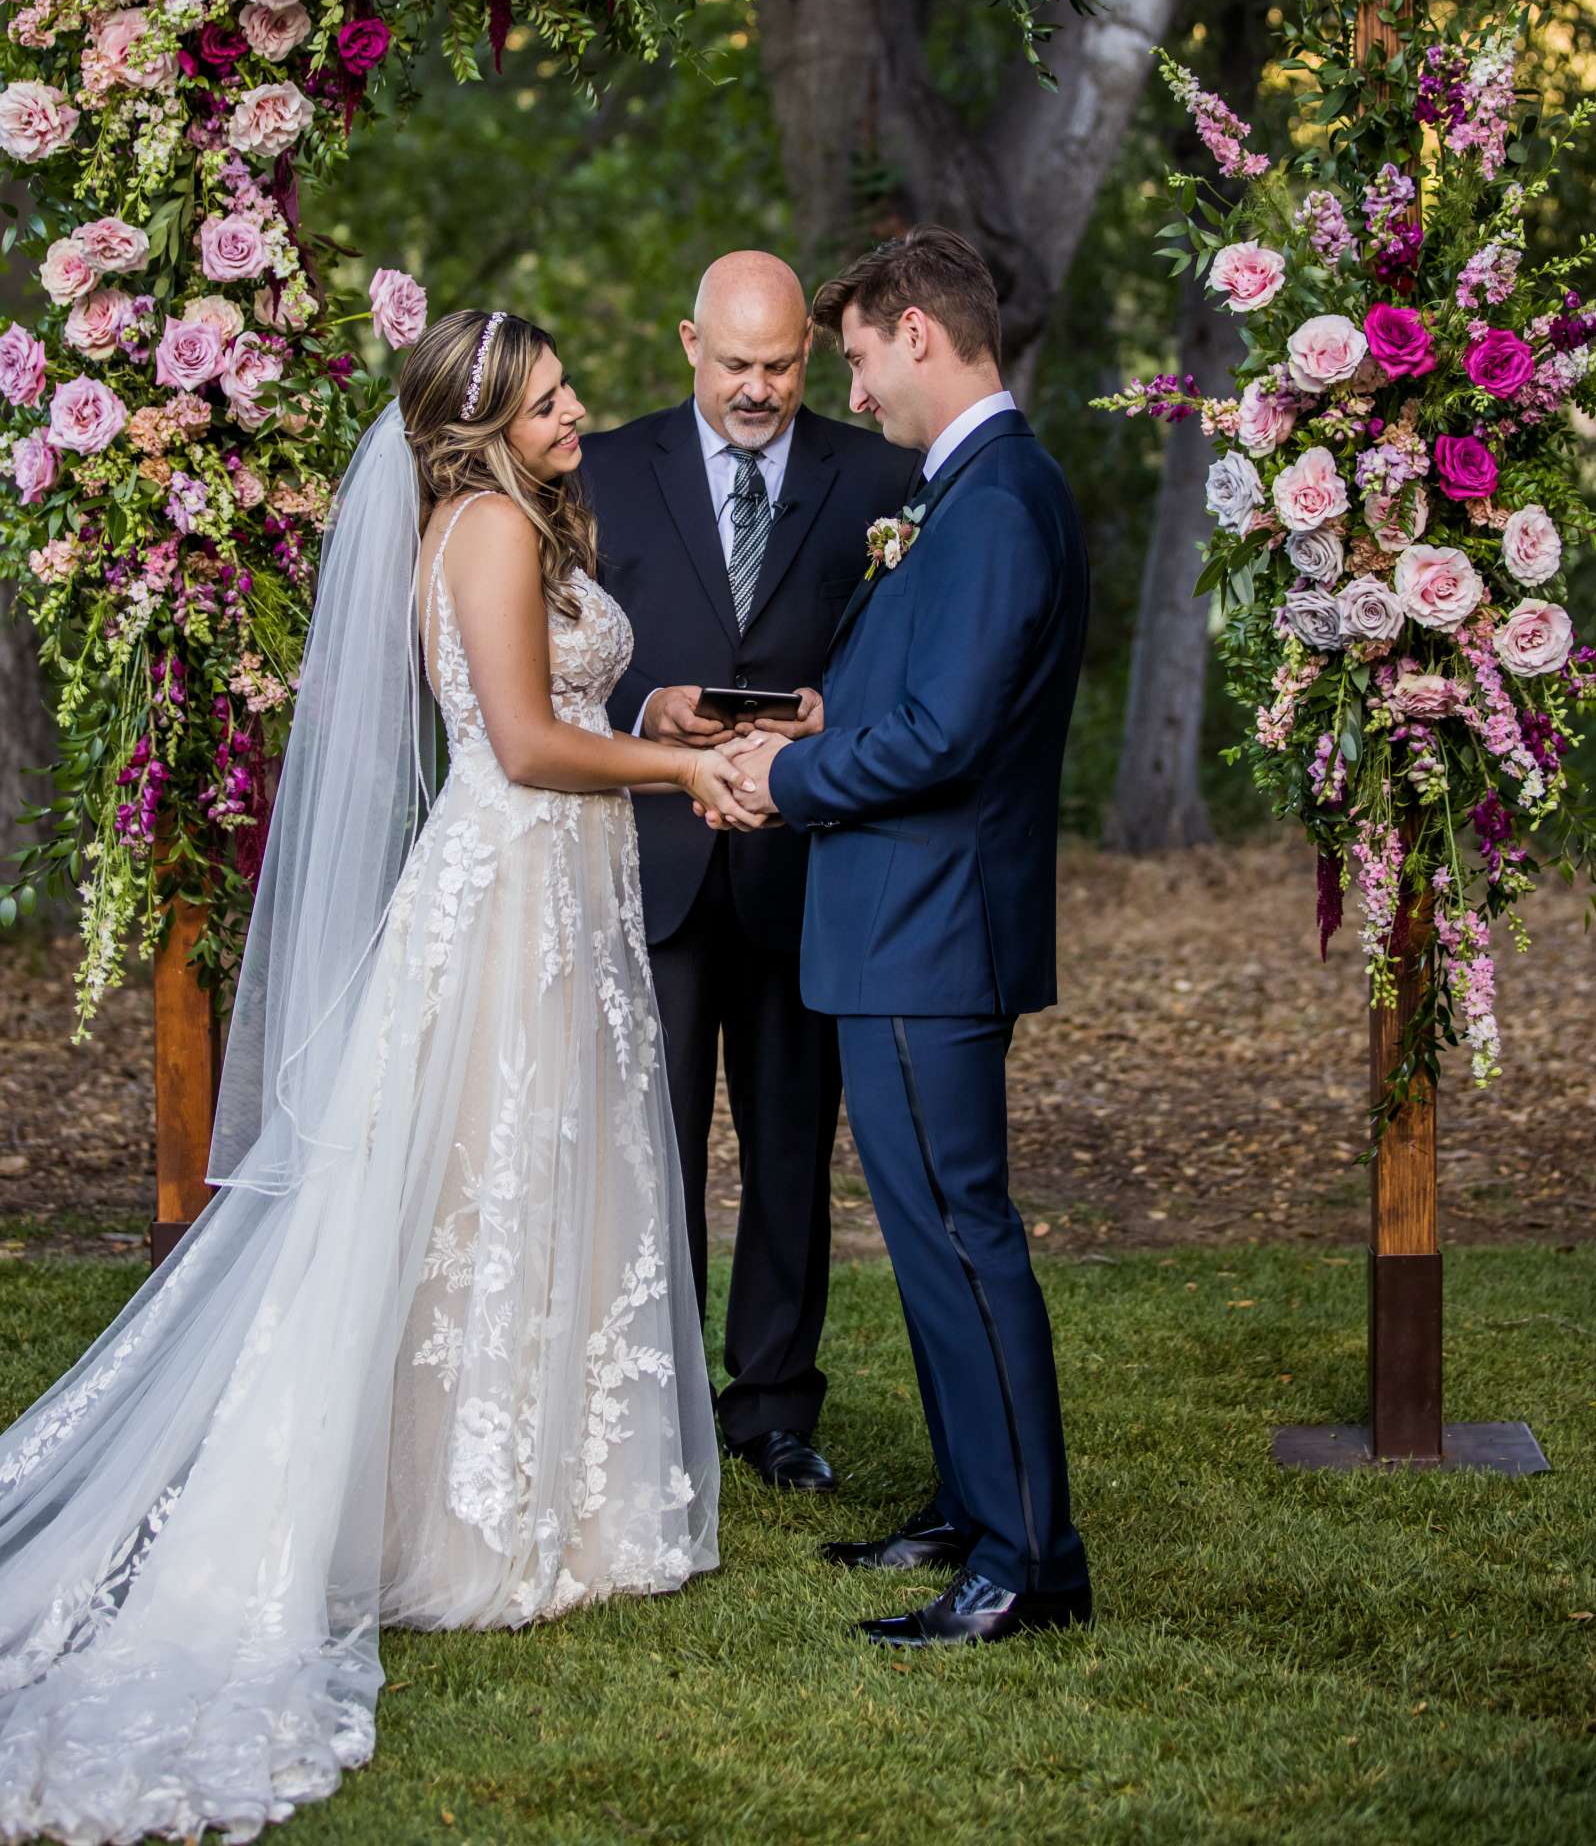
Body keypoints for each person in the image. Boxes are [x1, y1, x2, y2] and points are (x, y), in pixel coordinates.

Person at [0, 310, 732, 1845]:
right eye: (549, 400)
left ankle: (558, 1496)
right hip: (512, 894)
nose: (578, 410)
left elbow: (563, 706)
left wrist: (654, 717)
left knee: (547, 1181)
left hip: (562, 895)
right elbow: (524, 747)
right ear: (481, 425)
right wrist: (686, 771)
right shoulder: (479, 526)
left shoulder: (513, 520)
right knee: (484, 1183)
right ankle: (465, 1526)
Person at [712, 228, 1095, 1646]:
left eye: (861, 356)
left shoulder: (998, 503)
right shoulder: (968, 492)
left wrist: (785, 780)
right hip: (897, 926)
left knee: (958, 1234)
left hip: (931, 929)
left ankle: (1028, 1562)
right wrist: (822, 724)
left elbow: (951, 736)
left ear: (917, 336)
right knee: (936, 1240)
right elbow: (922, 696)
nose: (853, 391)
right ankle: (968, 1503)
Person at [579, 253, 917, 1492]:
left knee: (787, 1149)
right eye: (736, 365)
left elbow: (909, 655)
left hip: (800, 868)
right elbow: (551, 653)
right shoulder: (605, 469)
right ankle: (651, 1398)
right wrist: (646, 705)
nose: (760, 388)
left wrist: (839, 713)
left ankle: (772, 1410)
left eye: (780, 365)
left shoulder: (883, 479)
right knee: (645, 1148)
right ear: (687, 344)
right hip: (654, 867)